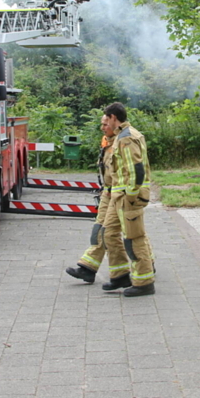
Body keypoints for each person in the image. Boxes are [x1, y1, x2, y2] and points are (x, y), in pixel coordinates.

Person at [64, 115, 130, 285]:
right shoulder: (107, 142)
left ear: (115, 122)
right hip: (107, 194)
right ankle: (88, 268)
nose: (102, 127)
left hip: (119, 195)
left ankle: (141, 266)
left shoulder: (123, 142)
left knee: (129, 234)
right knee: (99, 232)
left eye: (105, 124)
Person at [101, 102, 155, 297]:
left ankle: (144, 282)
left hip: (127, 198)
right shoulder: (122, 136)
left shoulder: (127, 138)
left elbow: (136, 170)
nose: (105, 123)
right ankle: (120, 275)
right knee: (108, 233)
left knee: (134, 238)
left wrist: (131, 196)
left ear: (114, 117)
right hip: (119, 197)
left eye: (107, 119)